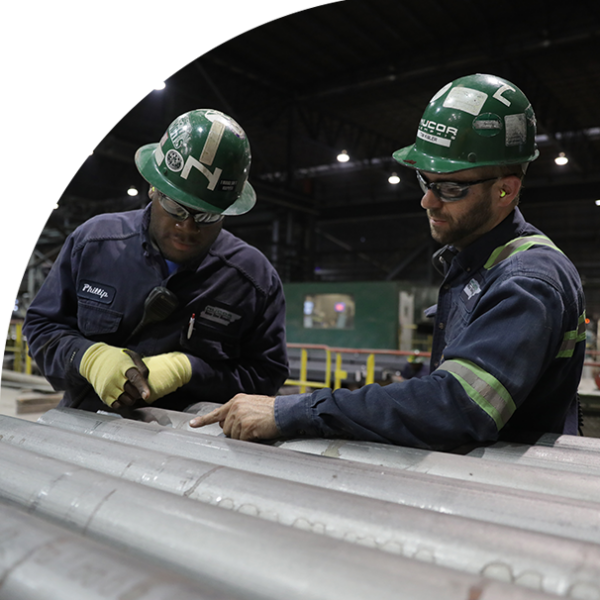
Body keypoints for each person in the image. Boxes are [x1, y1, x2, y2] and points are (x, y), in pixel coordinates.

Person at [191, 74, 586, 450]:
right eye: (424, 182)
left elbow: (455, 405)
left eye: (450, 187)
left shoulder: (530, 279)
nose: (428, 201)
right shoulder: (476, 264)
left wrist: (293, 409)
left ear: (505, 190)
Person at [24, 109, 289, 413]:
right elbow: (43, 325)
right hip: (85, 429)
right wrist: (86, 357)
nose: (188, 227)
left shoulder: (252, 280)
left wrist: (188, 370)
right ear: (153, 188)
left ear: (227, 210)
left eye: (206, 215)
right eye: (175, 207)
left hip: (191, 445)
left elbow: (267, 375)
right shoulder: (94, 243)